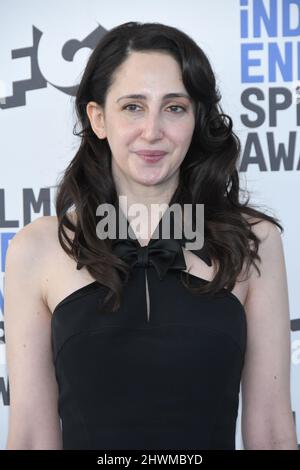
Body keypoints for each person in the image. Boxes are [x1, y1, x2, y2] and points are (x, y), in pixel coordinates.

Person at [4, 21, 298, 450]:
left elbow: (272, 432)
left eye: (175, 107)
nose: (153, 131)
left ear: (196, 118)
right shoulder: (38, 248)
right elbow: (30, 436)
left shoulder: (254, 242)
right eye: (133, 107)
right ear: (98, 118)